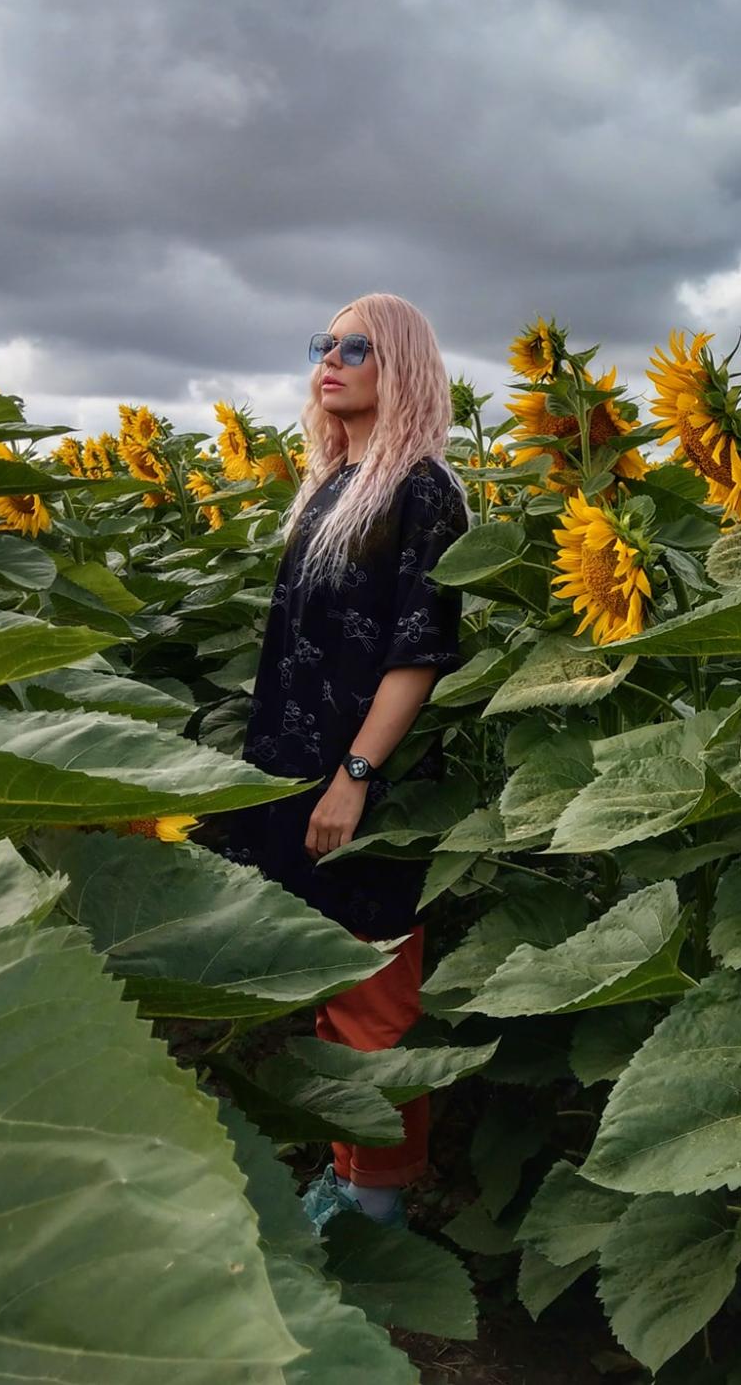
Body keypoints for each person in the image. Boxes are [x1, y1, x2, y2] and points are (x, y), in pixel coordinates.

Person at [204, 292, 469, 1231]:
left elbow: (417, 651)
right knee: (328, 986)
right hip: (295, 764)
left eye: (358, 347)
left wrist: (353, 778)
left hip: (362, 780)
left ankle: (378, 1202)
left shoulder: (421, 488)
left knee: (373, 1005)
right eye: (325, 343)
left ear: (399, 366)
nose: (333, 358)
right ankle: (349, 1173)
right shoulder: (330, 484)